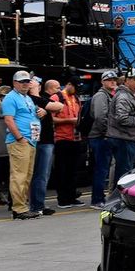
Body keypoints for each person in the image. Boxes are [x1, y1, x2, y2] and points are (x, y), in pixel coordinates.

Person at [1, 71, 45, 220]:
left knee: (26, 176)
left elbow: (30, 115)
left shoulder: (26, 98)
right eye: (22, 81)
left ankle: (22, 207)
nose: (25, 84)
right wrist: (20, 138)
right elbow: (8, 120)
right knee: (19, 176)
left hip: (30, 140)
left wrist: (41, 112)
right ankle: (19, 208)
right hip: (21, 141)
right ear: (14, 83)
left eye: (27, 81)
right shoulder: (10, 98)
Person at [107, 69, 135, 188]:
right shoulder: (123, 96)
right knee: (124, 172)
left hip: (133, 138)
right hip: (124, 139)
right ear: (127, 81)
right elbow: (121, 118)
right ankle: (117, 199)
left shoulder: (129, 95)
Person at [28, 77, 63, 216]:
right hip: (35, 140)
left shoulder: (41, 98)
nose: (32, 82)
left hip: (46, 139)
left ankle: (38, 204)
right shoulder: (27, 98)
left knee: (42, 174)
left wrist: (46, 109)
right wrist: (46, 107)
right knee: (35, 174)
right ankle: (35, 205)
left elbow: (60, 106)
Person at [50, 77, 84, 208]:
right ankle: (62, 198)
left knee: (73, 170)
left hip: (75, 138)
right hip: (61, 138)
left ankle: (72, 196)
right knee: (62, 170)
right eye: (75, 87)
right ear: (69, 84)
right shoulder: (56, 97)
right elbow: (51, 119)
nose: (76, 90)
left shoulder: (76, 99)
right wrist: (70, 120)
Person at [87, 70, 118, 209]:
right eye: (109, 79)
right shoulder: (101, 96)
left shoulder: (109, 95)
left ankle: (100, 197)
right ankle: (97, 199)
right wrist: (108, 133)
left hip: (104, 135)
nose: (113, 81)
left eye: (114, 79)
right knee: (101, 169)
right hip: (100, 137)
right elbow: (100, 117)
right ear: (103, 81)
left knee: (103, 168)